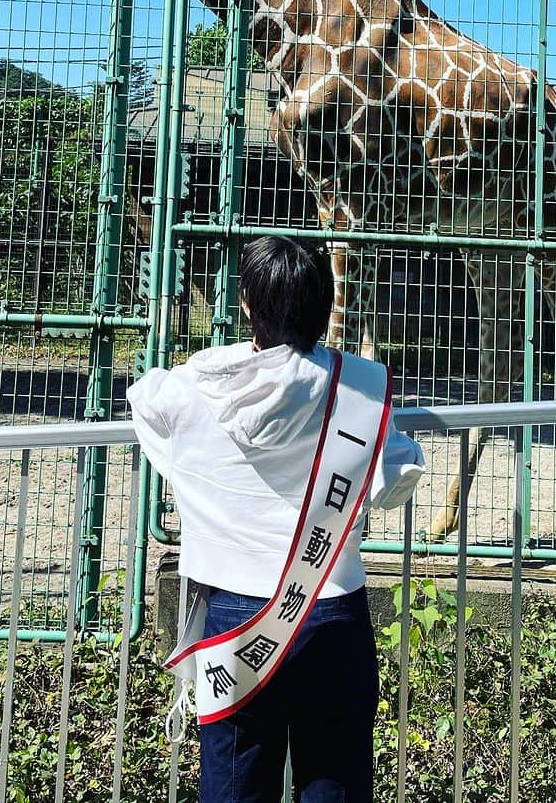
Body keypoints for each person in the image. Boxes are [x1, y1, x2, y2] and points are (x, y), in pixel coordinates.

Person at [127, 235, 425, 803]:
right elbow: (400, 472)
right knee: (333, 784)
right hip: (332, 611)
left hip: (236, 620)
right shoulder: (357, 391)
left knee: (236, 783)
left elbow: (147, 399)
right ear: (326, 303)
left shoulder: (195, 389)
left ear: (244, 304)